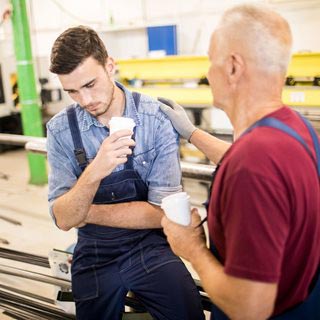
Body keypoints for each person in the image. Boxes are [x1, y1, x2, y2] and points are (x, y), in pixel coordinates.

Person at [159, 4, 320, 320]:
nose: (208, 71)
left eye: (210, 59)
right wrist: (192, 133)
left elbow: (250, 307)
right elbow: (257, 163)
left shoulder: (253, 164)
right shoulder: (298, 129)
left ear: (233, 67)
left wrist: (192, 248)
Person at [46, 26, 205, 320]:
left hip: (149, 245)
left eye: (90, 84)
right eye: (72, 91)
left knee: (188, 310)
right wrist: (96, 170)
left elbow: (162, 213)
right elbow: (64, 219)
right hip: (94, 253)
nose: (85, 100)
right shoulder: (60, 130)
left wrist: (85, 211)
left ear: (110, 65)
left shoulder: (155, 118)